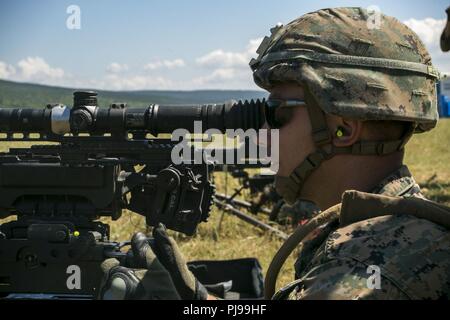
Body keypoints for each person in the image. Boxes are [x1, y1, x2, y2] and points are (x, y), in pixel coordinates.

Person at [99, 7, 450, 300]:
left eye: (276, 114)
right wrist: (200, 301)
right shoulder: (372, 229)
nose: (262, 133)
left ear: (342, 129)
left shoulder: (368, 271)